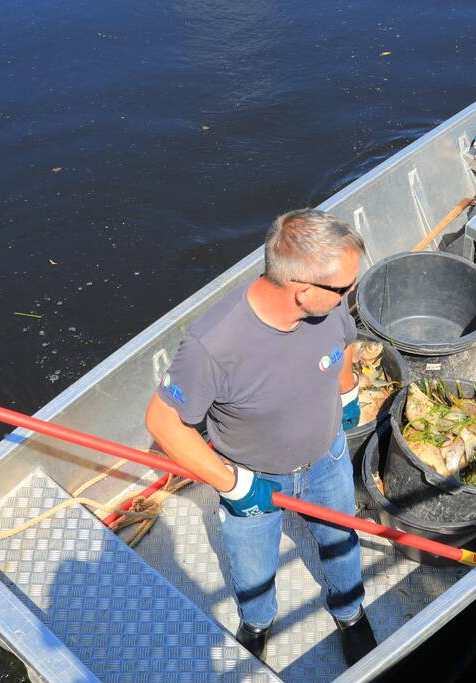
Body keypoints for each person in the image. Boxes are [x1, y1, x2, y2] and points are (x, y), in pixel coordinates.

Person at [144, 208, 376, 665]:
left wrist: (347, 393)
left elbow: (344, 341)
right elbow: (163, 421)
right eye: (345, 288)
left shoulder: (327, 309)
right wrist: (234, 484)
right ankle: (256, 621)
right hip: (254, 477)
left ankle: (349, 612)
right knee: (252, 566)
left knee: (342, 540)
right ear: (302, 289)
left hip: (326, 460)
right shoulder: (214, 345)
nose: (351, 292)